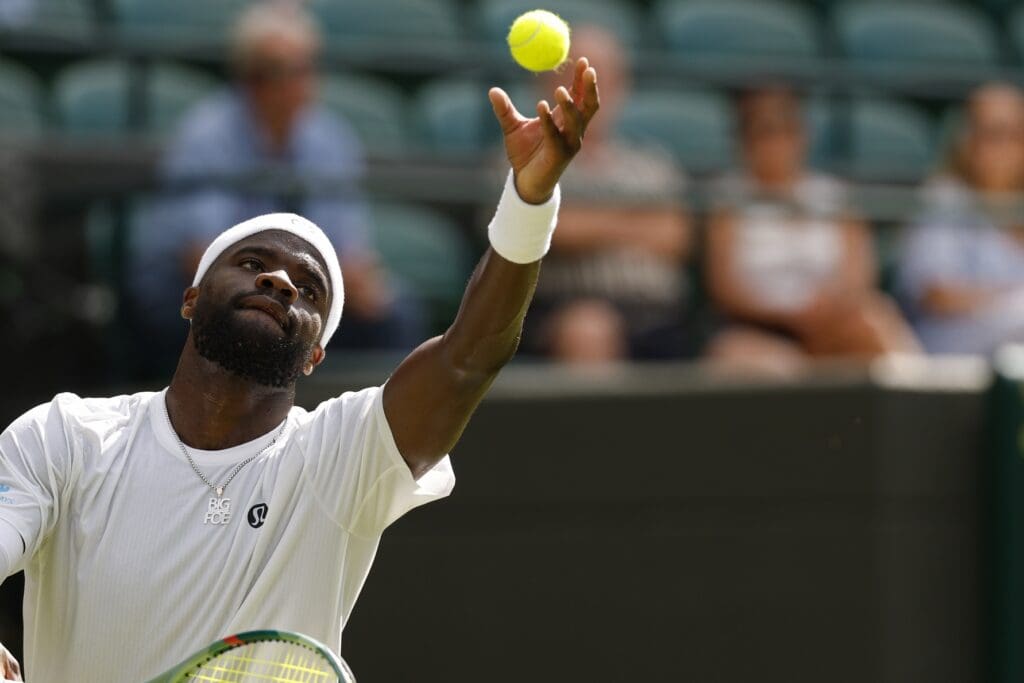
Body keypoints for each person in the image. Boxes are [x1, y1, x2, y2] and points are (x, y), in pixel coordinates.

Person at [0, 52, 600, 681]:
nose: (281, 279)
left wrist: (529, 203)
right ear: (191, 296)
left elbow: (467, 359)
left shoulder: (338, 455)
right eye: (251, 261)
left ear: (317, 353)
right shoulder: (67, 436)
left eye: (310, 290)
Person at [130, 1, 420, 374]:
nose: (301, 83)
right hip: (201, 289)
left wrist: (357, 284)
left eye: (307, 69)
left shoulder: (331, 137)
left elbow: (348, 250)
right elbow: (202, 258)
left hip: (294, 289)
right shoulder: (206, 135)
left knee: (395, 314)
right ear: (250, 78)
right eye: (284, 71)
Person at [704, 86, 919, 374]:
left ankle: (922, 401)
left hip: (830, 323)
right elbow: (726, 288)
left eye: (787, 130)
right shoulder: (727, 202)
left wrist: (825, 310)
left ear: (802, 136)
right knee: (745, 358)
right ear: (745, 141)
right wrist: (791, 314)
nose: (777, 143)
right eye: (765, 132)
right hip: (760, 329)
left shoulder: (834, 198)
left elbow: (859, 276)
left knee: (874, 322)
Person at [522, 25, 692, 363]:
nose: (587, 90)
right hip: (564, 312)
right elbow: (553, 230)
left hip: (659, 318)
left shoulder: (654, 165)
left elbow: (675, 236)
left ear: (622, 87)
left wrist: (590, 221)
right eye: (573, 75)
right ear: (546, 85)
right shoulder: (525, 155)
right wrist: (637, 220)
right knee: (590, 329)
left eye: (601, 78)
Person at [897, 83, 1024, 354]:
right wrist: (1010, 300)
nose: (1001, 149)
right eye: (990, 134)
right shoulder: (942, 201)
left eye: (1013, 136)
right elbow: (937, 295)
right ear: (965, 141)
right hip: (952, 343)